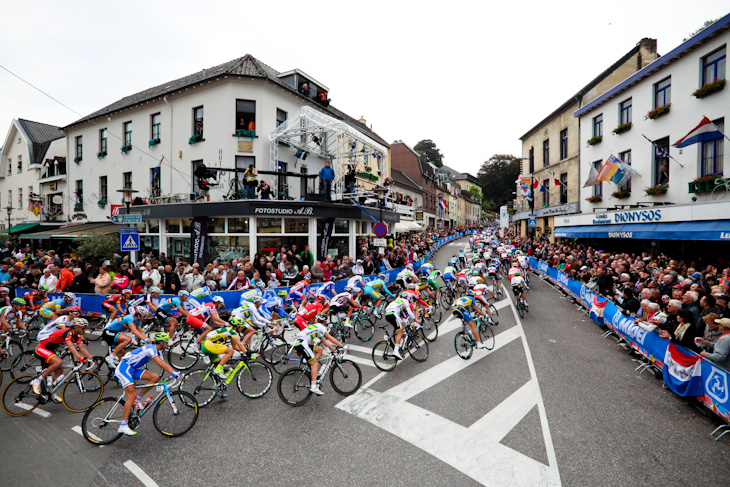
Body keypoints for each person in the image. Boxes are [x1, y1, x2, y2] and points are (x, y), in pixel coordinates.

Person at [114, 332, 182, 436]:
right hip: (124, 369)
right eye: (166, 342)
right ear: (161, 342)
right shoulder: (151, 348)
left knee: (155, 377)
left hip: (132, 369)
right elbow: (159, 363)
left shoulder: (158, 352)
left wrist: (175, 373)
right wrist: (173, 373)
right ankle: (123, 426)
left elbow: (163, 363)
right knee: (131, 395)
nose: (168, 344)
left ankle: (137, 399)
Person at [31, 319, 93, 401]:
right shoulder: (67, 332)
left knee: (59, 370)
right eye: (83, 328)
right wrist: (80, 357)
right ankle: (36, 381)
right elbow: (71, 347)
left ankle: (52, 393)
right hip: (42, 348)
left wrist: (91, 358)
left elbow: (81, 348)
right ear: (77, 327)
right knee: (58, 362)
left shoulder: (76, 336)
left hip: (51, 350)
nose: (84, 330)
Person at [292, 320, 345, 395]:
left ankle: (311, 367)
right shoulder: (321, 327)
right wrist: (342, 346)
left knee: (320, 350)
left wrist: (335, 349)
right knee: (315, 364)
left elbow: (325, 342)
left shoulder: (317, 328)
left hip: (299, 342)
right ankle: (314, 387)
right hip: (302, 344)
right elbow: (330, 338)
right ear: (324, 323)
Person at [201, 319, 250, 383]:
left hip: (207, 344)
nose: (242, 329)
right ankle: (218, 370)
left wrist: (245, 350)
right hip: (208, 345)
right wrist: (247, 352)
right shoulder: (232, 332)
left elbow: (235, 347)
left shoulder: (229, 330)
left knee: (218, 364)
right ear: (238, 326)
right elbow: (240, 344)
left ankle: (217, 386)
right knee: (230, 351)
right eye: (242, 327)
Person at [384, 292, 420, 360]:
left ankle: (398, 345)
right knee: (400, 332)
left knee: (400, 328)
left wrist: (401, 322)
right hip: (392, 314)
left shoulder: (396, 301)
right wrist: (416, 320)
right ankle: (396, 351)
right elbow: (409, 312)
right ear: (406, 297)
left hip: (388, 315)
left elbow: (396, 314)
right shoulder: (405, 301)